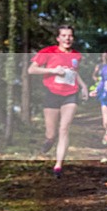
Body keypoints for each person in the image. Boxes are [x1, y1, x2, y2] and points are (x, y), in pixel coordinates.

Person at [28, 24, 89, 178]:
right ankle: (49, 140)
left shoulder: (76, 55)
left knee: (64, 128)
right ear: (58, 38)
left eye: (70, 36)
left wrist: (83, 86)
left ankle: (58, 165)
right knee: (52, 133)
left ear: (73, 38)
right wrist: (52, 70)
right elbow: (32, 69)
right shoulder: (48, 52)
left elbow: (75, 73)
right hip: (52, 93)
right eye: (64, 35)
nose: (67, 38)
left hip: (71, 94)